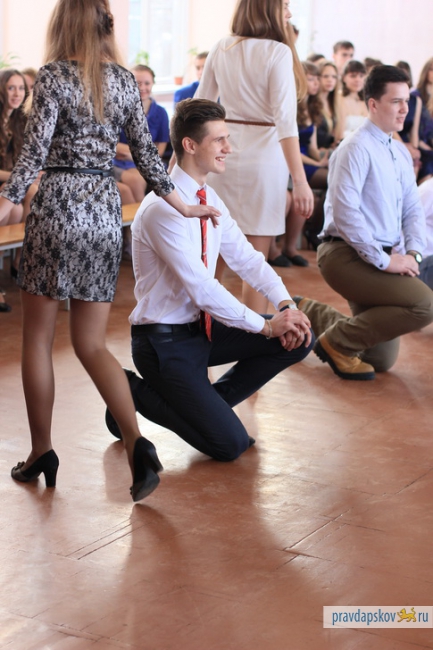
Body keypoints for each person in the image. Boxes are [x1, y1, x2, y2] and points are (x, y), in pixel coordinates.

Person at [0, 0, 219, 502]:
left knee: (38, 339)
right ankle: (138, 443)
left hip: (57, 206)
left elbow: (33, 154)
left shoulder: (53, 75)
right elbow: (147, 155)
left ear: (63, 24)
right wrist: (183, 205)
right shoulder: (122, 79)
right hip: (102, 209)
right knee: (92, 344)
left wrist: (7, 202)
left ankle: (41, 451)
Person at [105, 98, 313, 480]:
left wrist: (286, 305)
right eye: (219, 140)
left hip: (201, 331)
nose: (228, 148)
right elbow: (202, 288)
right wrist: (267, 326)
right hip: (164, 343)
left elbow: (247, 259)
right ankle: (129, 389)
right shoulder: (162, 209)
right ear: (190, 145)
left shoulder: (208, 198)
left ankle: (206, 409)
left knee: (299, 338)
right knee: (230, 445)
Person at [294, 65, 433, 380]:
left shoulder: (399, 151)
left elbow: (412, 208)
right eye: (396, 101)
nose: (404, 109)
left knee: (379, 358)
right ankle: (335, 343)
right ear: (373, 104)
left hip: (380, 256)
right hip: (345, 255)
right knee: (425, 304)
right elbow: (346, 216)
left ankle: (307, 312)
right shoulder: (354, 148)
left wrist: (413, 253)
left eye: (406, 101)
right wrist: (386, 262)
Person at [196, 0, 313, 313]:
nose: (289, 12)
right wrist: (300, 182)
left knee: (212, 261)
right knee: (255, 265)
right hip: (264, 160)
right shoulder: (278, 51)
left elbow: (197, 108)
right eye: (285, 5)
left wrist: (176, 164)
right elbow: (286, 122)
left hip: (222, 155)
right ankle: (254, 338)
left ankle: (200, 339)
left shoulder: (221, 47)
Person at [0, 69, 41, 281]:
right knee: (18, 204)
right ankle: (17, 262)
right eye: (11, 88)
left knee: (22, 203)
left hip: (12, 182)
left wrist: (31, 174)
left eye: (21, 88)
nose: (17, 94)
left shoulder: (20, 121)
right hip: (7, 180)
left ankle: (20, 259)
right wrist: (20, 176)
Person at [113, 64, 170, 202]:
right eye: (138, 83)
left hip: (145, 162)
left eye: (147, 83)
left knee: (137, 181)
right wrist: (141, 152)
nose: (142, 88)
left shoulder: (161, 112)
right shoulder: (118, 108)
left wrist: (132, 154)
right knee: (130, 187)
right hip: (118, 162)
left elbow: (160, 151)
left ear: (153, 84)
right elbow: (111, 144)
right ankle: (140, 214)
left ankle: (141, 214)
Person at [336, 60, 368, 141]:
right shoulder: (339, 98)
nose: (358, 80)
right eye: (353, 76)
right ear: (344, 78)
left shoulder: (365, 101)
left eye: (361, 76)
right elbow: (339, 134)